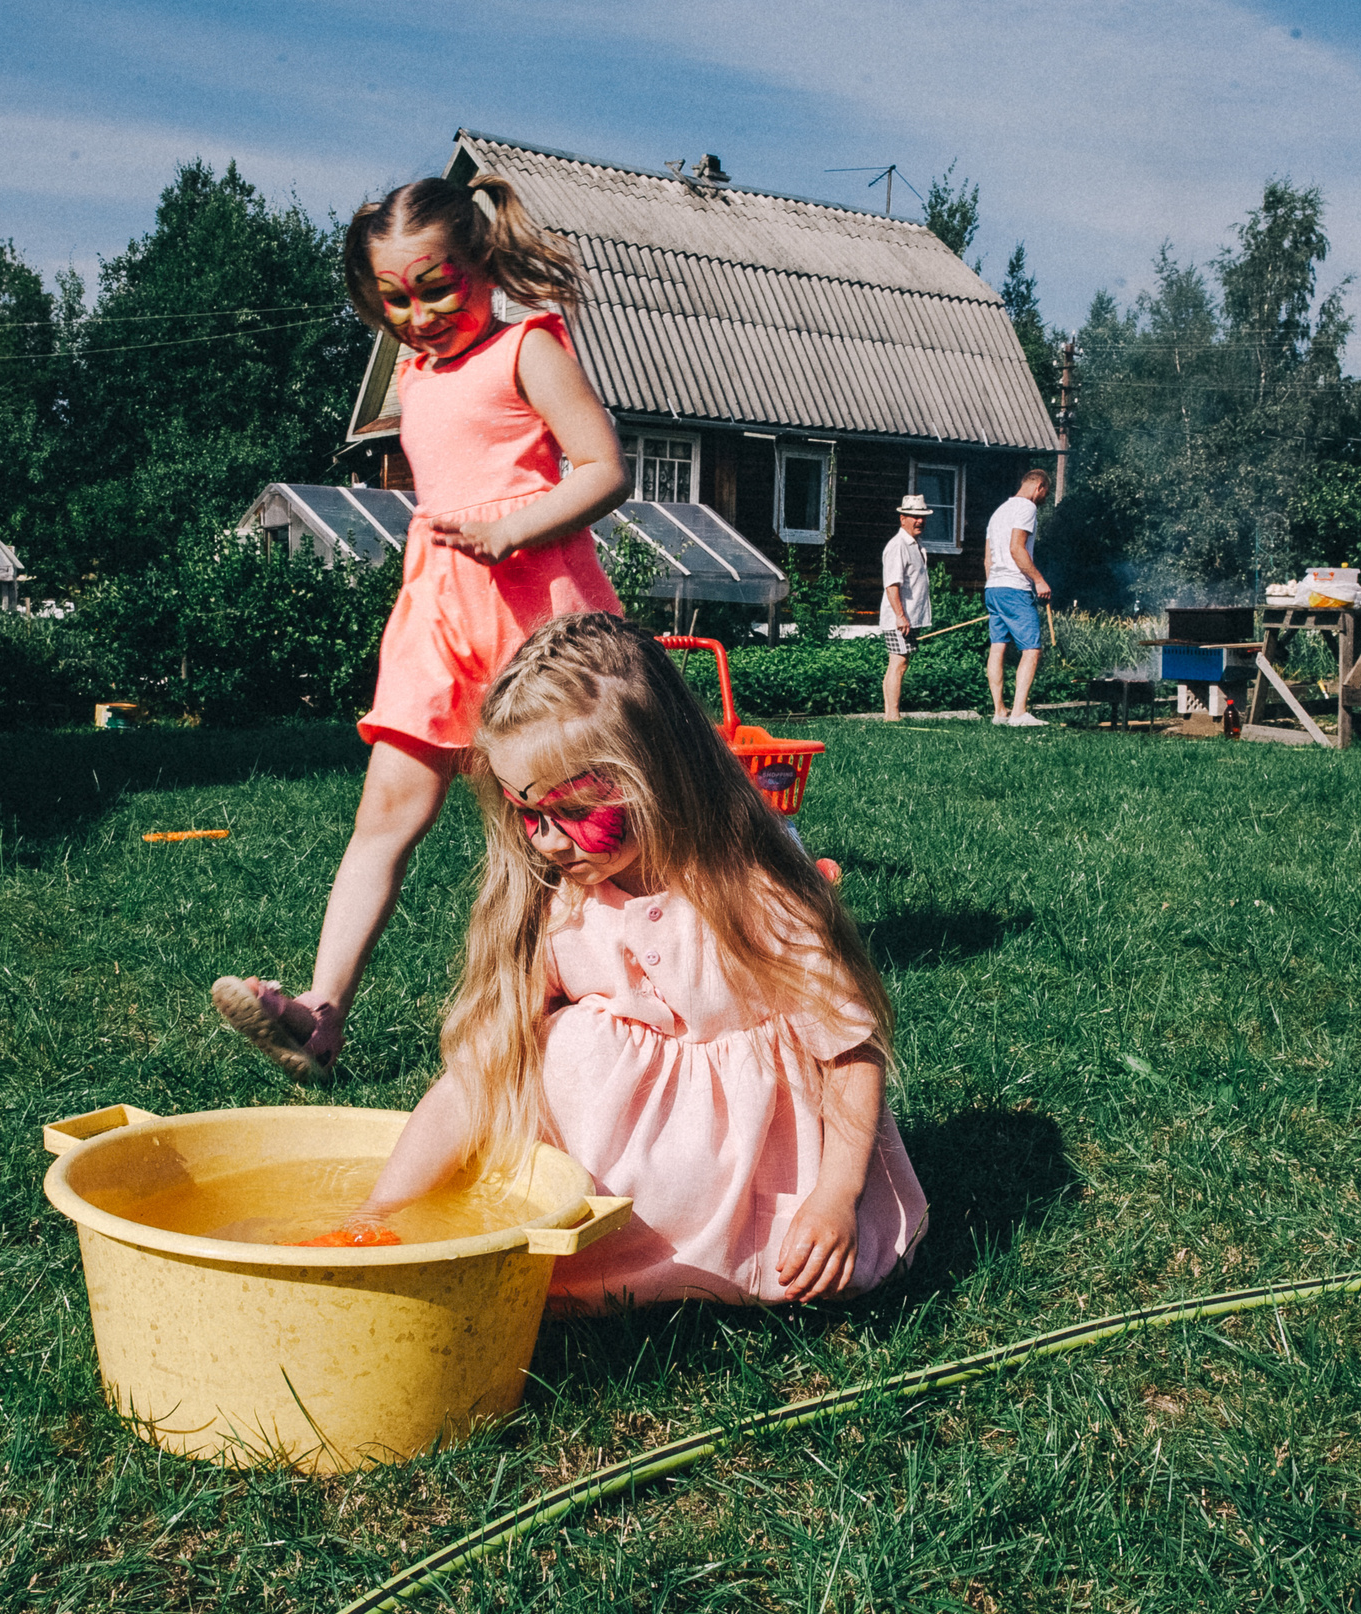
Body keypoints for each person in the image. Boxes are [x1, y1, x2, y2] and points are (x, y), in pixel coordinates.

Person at [311, 612, 928, 1310]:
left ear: (659, 772)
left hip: (754, 1188)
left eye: (573, 809)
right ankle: (606, 1257)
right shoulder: (566, 905)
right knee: (543, 1043)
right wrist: (380, 1209)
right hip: (621, 1191)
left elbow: (849, 1048)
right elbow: (478, 1070)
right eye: (527, 813)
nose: (547, 841)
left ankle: (705, 1263)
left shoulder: (751, 892)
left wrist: (836, 1195)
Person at [210, 176, 631, 1083]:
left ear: (482, 262)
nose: (421, 313)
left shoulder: (529, 346)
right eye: (395, 298)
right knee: (385, 816)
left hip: (537, 608)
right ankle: (321, 1015)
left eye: (438, 286)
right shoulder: (412, 372)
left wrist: (515, 526)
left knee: (567, 824)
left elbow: (604, 470)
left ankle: (608, 996)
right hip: (440, 610)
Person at [983, 468, 1053, 726]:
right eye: (1046, 493)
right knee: (1031, 649)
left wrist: (993, 584)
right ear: (1039, 487)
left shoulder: (998, 512)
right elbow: (1016, 548)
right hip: (1015, 587)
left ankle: (999, 712)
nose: (1045, 499)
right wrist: (1038, 580)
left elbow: (988, 558)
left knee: (998, 646)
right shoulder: (1027, 508)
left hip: (994, 587)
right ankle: (1019, 712)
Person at [878, 494, 932, 721]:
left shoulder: (916, 545)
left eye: (922, 517)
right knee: (898, 662)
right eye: (914, 517)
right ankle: (892, 715)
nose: (919, 521)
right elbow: (892, 584)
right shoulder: (897, 546)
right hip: (898, 619)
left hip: (910, 618)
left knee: (903, 662)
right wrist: (901, 616)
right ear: (902, 519)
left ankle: (893, 714)